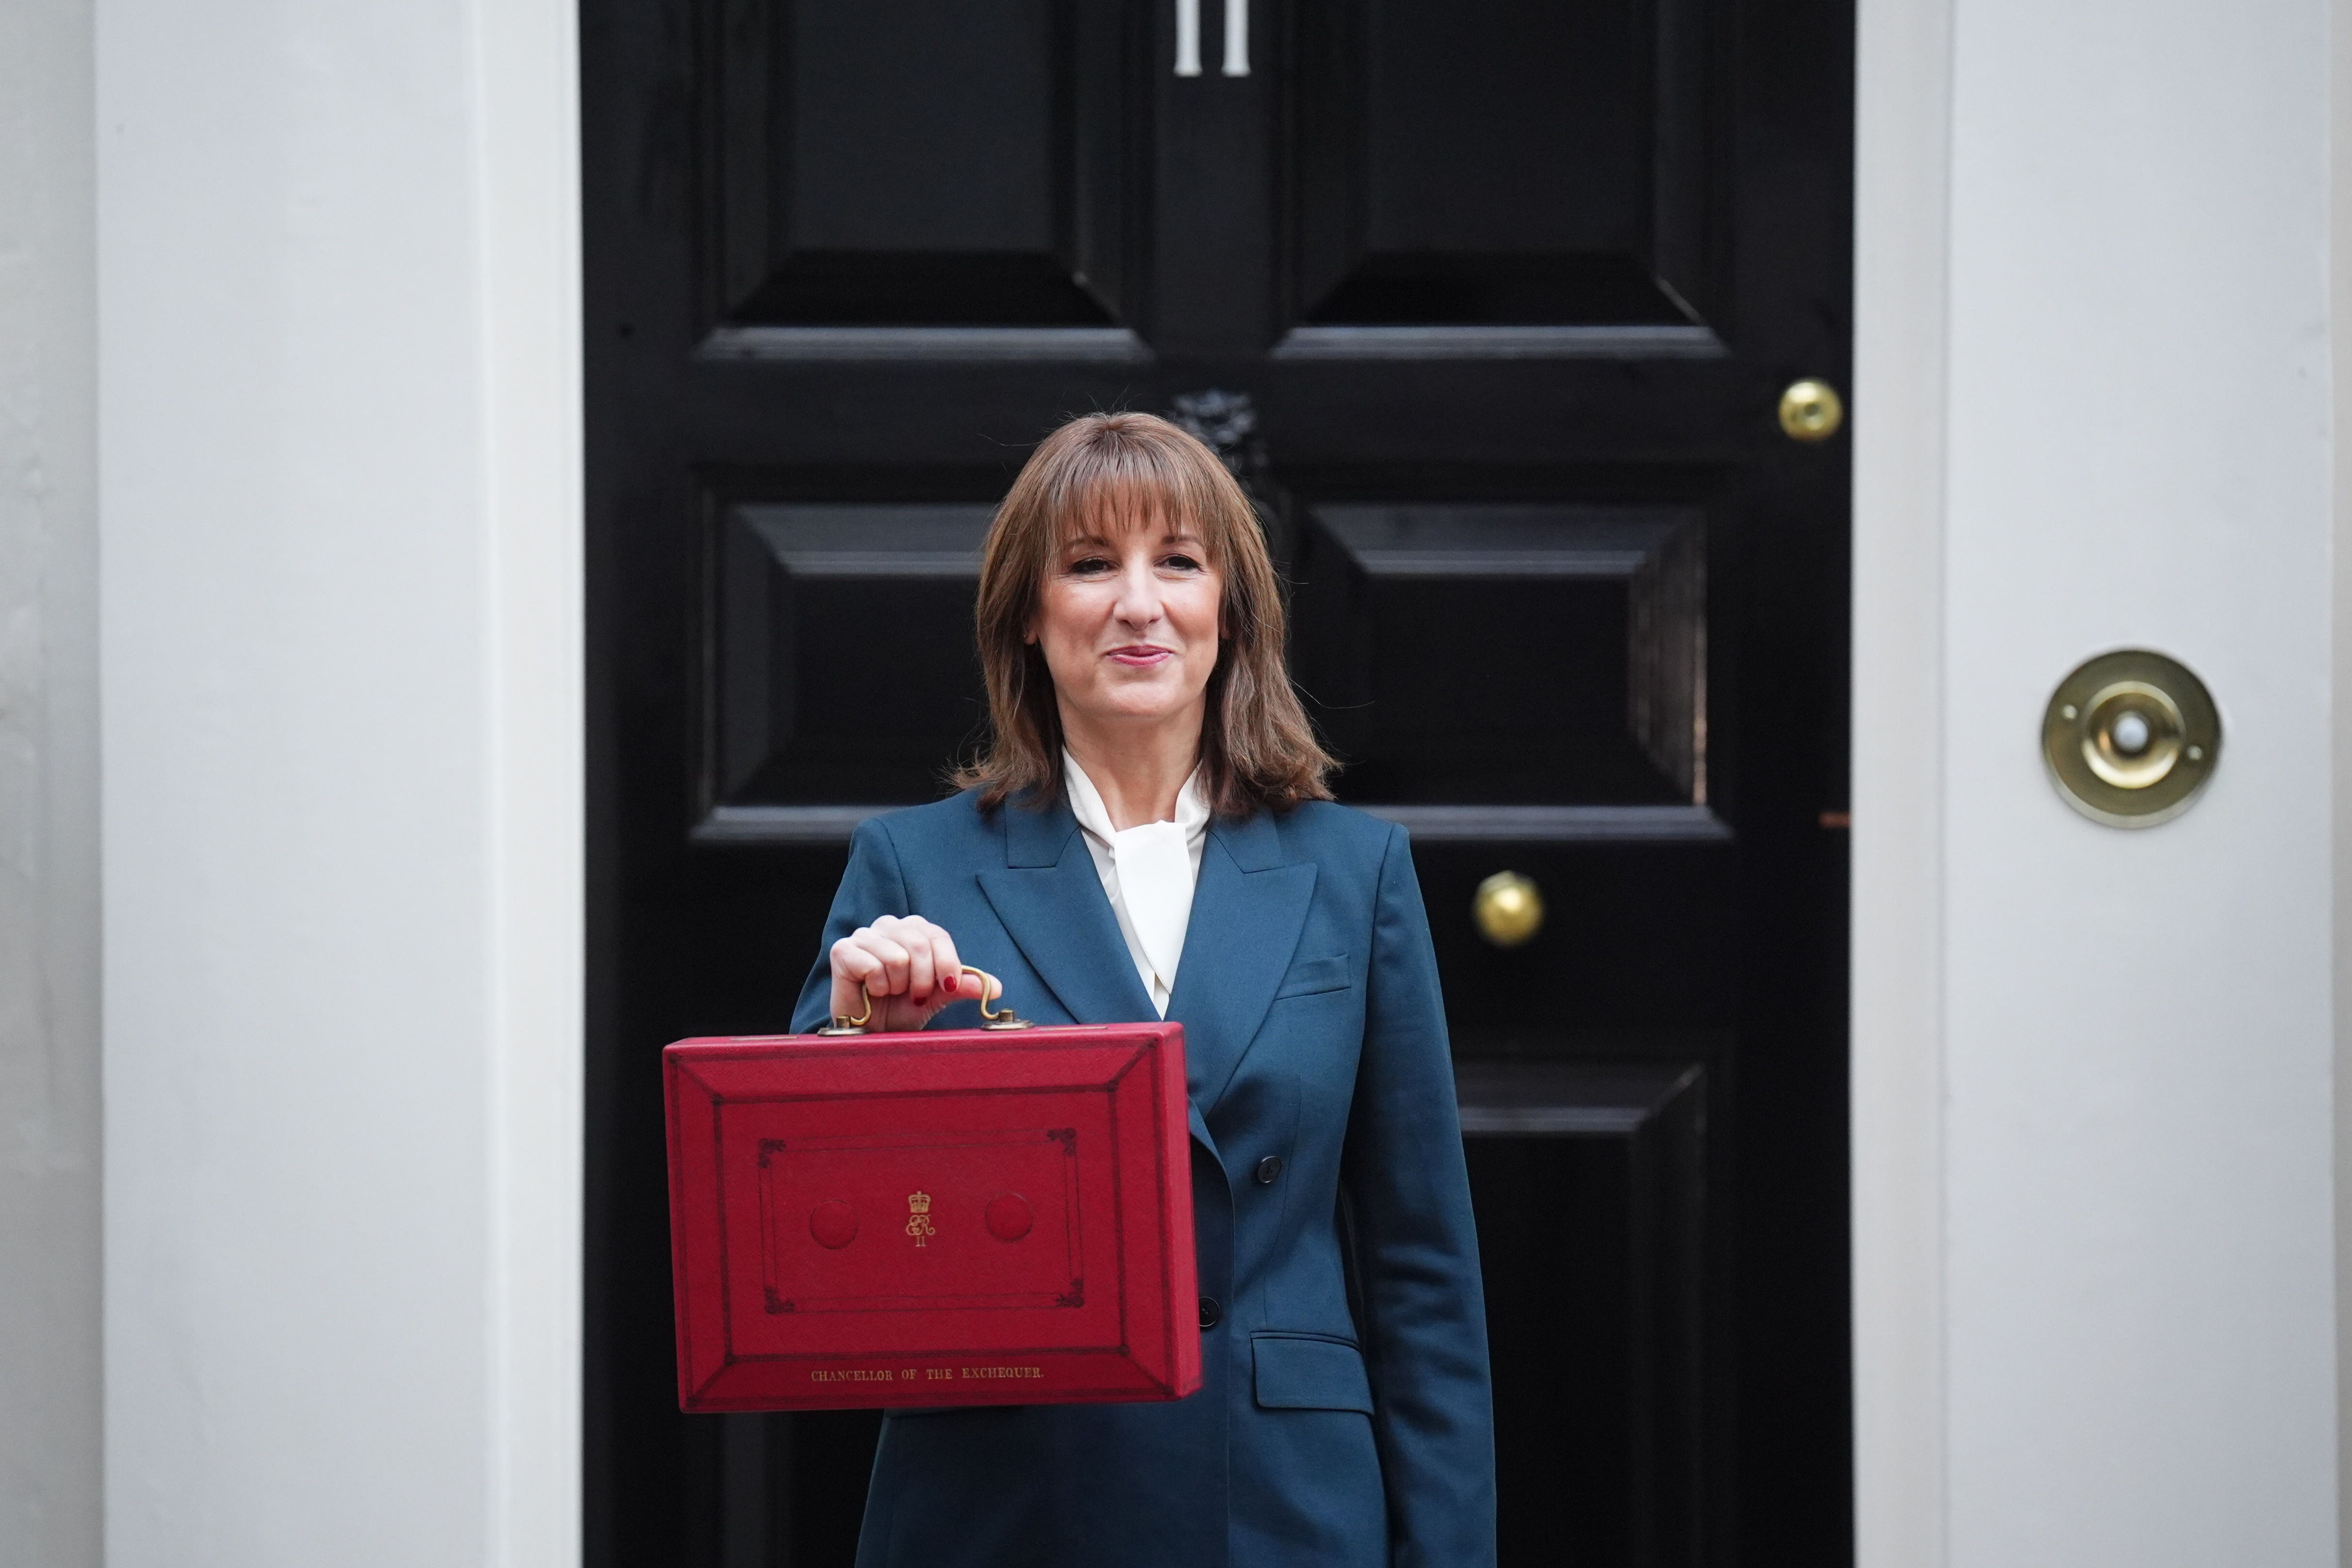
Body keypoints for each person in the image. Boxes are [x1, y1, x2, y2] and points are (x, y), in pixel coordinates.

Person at [790, 411, 1494, 1568]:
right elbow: (810, 1250)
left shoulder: (1354, 869)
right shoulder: (915, 866)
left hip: (1283, 1503)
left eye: (1178, 559)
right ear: (1029, 611)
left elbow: (1424, 1267)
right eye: (1088, 564)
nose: (1137, 601)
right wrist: (869, 1043)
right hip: (1006, 1499)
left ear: (1231, 606)